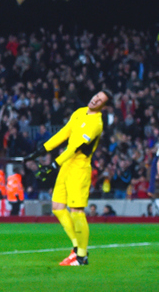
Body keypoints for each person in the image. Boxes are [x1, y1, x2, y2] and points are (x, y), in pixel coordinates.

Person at [27, 90, 112, 266]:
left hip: (79, 168)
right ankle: (76, 247)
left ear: (103, 106)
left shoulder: (96, 123)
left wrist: (53, 165)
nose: (95, 99)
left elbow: (75, 147)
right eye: (96, 95)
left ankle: (82, 256)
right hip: (66, 165)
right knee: (57, 207)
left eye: (100, 100)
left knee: (77, 211)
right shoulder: (80, 112)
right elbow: (63, 134)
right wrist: (40, 151)